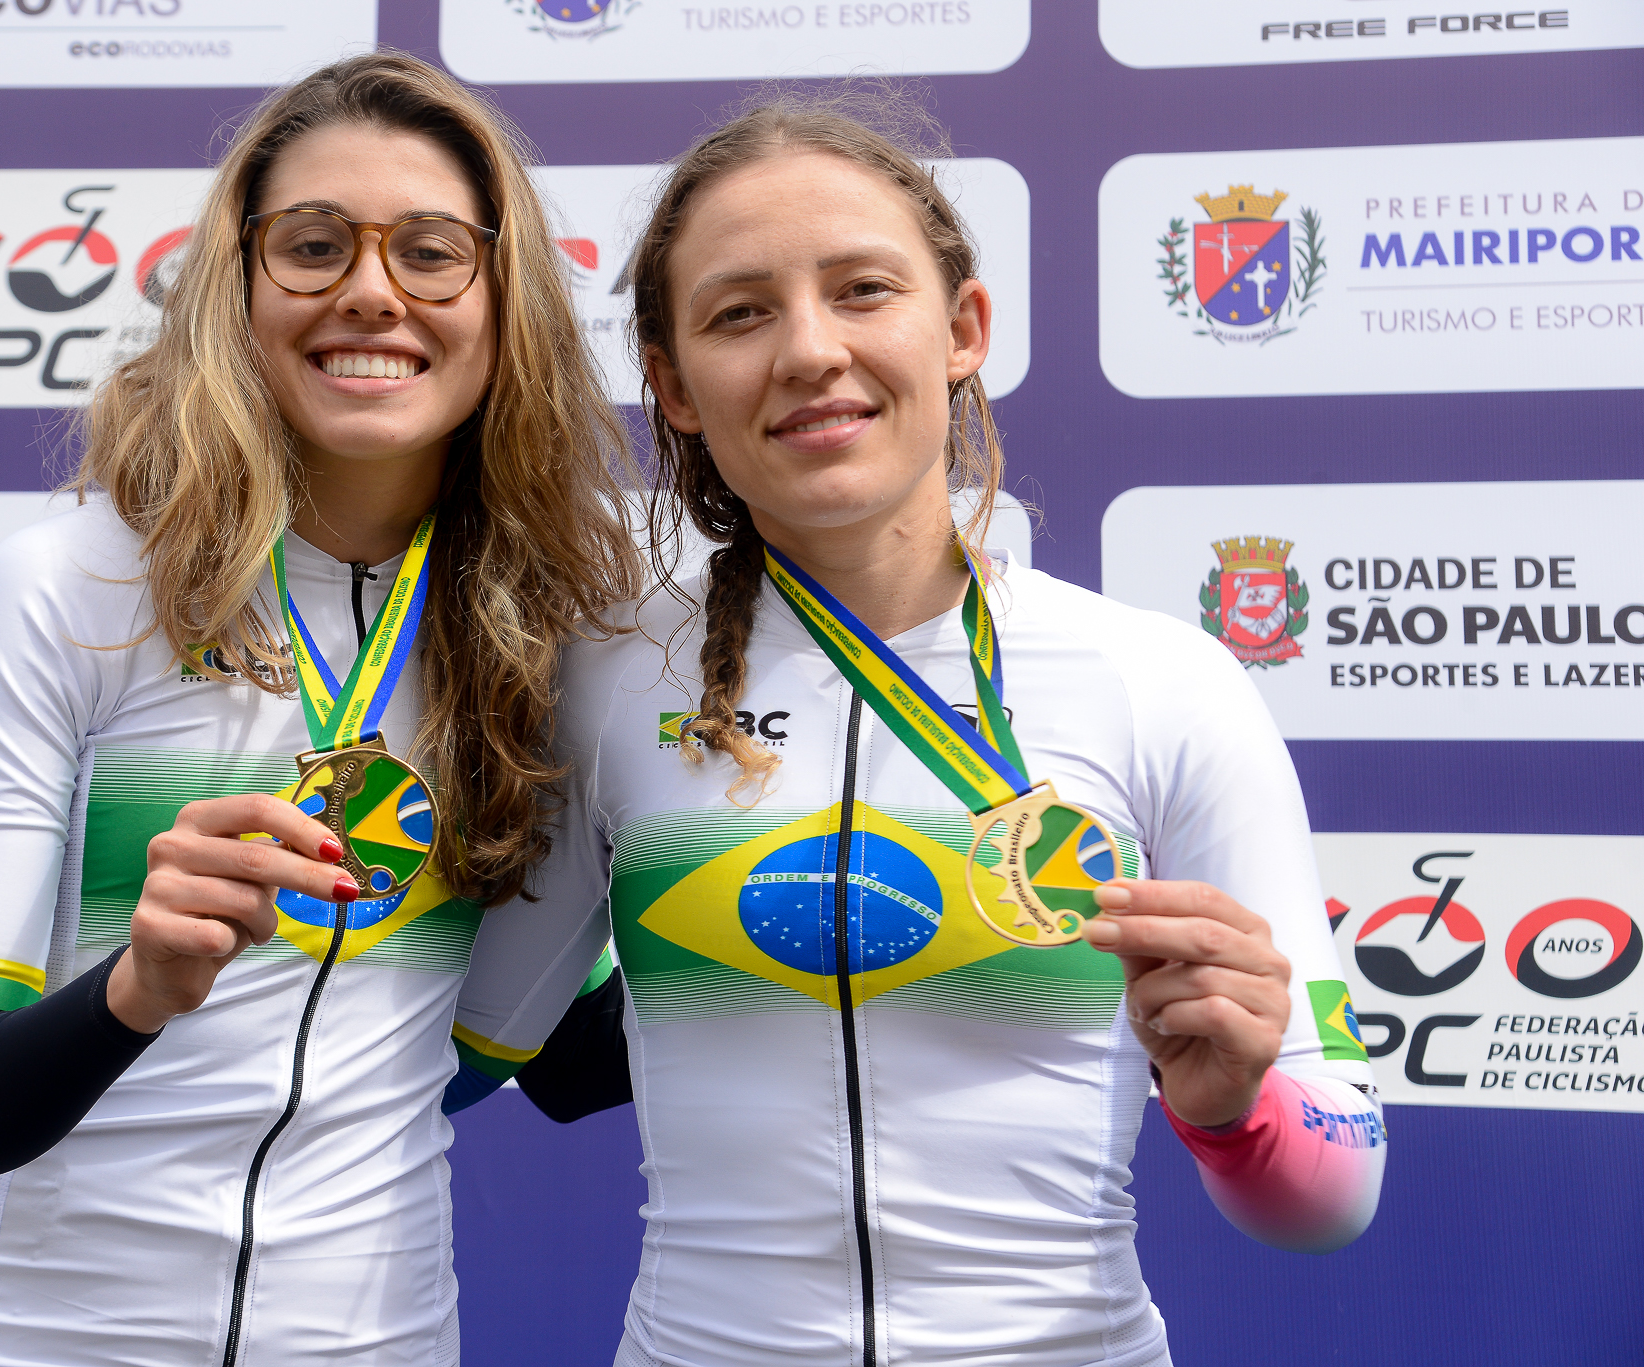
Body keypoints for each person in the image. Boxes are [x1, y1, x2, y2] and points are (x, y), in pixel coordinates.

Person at [501, 98, 1386, 1366]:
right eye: (739, 312)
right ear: (673, 385)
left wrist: (1234, 1110)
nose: (810, 350)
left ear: (962, 327)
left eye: (861, 289)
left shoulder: (1156, 680)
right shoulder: (600, 682)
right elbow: (439, 1052)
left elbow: (1330, 1202)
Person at [0, 53, 635, 1366]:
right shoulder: (69, 588)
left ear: (505, 297)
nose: (371, 291)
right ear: (234, 285)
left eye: (431, 252)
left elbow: (557, 1055)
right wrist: (134, 986)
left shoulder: (543, 632)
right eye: (313, 245)